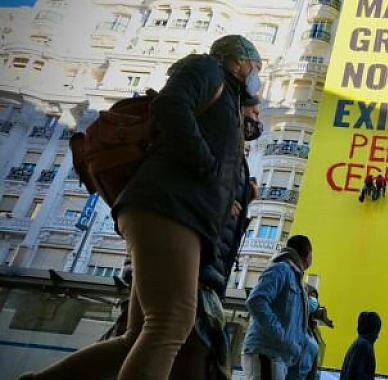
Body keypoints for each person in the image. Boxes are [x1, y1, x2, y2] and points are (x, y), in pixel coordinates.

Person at [19, 35, 262, 380]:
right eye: (256, 65)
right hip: (169, 207)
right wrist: (203, 162)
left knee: (137, 336)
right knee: (171, 322)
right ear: (238, 61)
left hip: (175, 211)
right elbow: (171, 105)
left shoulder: (230, 103)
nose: (258, 74)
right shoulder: (208, 69)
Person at [242, 235, 314, 380]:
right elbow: (256, 301)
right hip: (267, 352)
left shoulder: (294, 277)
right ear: (307, 255)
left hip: (277, 355)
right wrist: (281, 336)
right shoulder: (281, 269)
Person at [340, 311, 382, 380]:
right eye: (376, 331)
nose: (377, 336)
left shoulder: (358, 343)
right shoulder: (363, 346)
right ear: (371, 330)